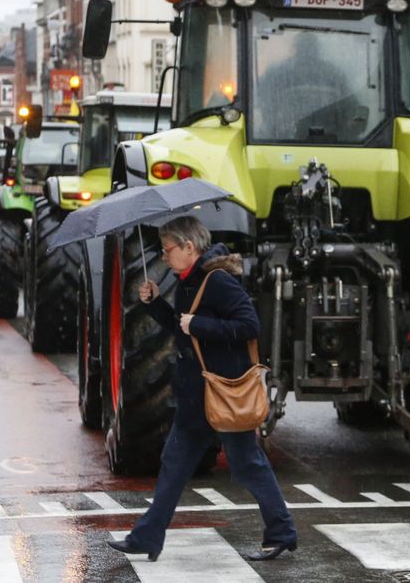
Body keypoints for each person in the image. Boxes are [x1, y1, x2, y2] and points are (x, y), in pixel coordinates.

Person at [108, 216, 297, 563]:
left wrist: (199, 323)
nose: (164, 257)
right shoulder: (187, 283)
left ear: (189, 247)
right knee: (173, 465)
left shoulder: (218, 281)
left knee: (246, 465)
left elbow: (248, 325)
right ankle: (146, 537)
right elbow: (184, 332)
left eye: (168, 250)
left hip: (223, 392)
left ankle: (282, 532)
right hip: (196, 397)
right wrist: (155, 304)